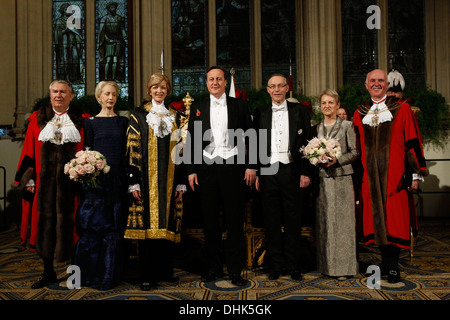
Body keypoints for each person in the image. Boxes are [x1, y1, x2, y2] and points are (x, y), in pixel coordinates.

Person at [353, 69, 428, 283]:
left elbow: (412, 141)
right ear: (366, 85)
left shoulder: (402, 110)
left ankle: (394, 265)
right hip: (369, 179)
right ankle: (385, 262)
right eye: (372, 81)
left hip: (395, 176)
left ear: (387, 85)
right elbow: (356, 147)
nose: (376, 84)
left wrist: (414, 174)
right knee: (376, 221)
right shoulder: (359, 112)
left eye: (380, 81)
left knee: (394, 219)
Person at [14, 80, 88, 288]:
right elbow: (28, 152)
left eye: (63, 92)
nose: (59, 95)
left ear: (71, 96)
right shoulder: (36, 120)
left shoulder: (82, 121)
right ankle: (48, 273)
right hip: (44, 187)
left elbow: (89, 150)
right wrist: (28, 179)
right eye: (55, 91)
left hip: (72, 186)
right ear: (50, 95)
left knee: (74, 229)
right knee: (44, 230)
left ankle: (75, 273)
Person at [186, 66, 256, 286]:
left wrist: (251, 165)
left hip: (234, 167)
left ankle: (235, 270)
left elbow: (251, 136)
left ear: (226, 82)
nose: (214, 82)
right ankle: (214, 267)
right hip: (207, 169)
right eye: (210, 79)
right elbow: (192, 140)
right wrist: (191, 170)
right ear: (206, 83)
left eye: (218, 79)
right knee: (210, 221)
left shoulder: (240, 105)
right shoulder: (197, 107)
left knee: (234, 221)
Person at [124, 73, 185, 291]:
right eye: (155, 87)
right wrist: (134, 182)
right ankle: (147, 276)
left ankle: (165, 272)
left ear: (167, 90)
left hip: (169, 181)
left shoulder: (175, 117)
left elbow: (181, 150)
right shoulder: (138, 116)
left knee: (166, 229)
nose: (159, 91)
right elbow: (131, 149)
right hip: (144, 181)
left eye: (163, 87)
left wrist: (180, 182)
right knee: (148, 231)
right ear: (149, 90)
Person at [253, 74, 311, 281]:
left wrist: (305, 171)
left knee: (293, 219)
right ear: (267, 90)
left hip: (292, 169)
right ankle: (276, 265)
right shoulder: (259, 112)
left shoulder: (301, 111)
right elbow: (255, 143)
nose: (276, 89)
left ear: (287, 88)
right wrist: (257, 171)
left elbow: (308, 142)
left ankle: (292, 265)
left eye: (280, 86)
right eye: (272, 86)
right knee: (272, 219)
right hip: (268, 169)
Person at [72, 81, 128, 290]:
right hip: (96, 183)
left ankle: (110, 276)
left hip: (117, 182)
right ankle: (85, 276)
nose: (110, 98)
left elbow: (127, 152)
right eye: (106, 94)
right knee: (92, 228)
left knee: (114, 230)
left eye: (114, 94)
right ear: (99, 97)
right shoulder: (90, 123)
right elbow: (87, 150)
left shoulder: (123, 121)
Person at [311, 89, 359, 280]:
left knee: (344, 224)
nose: (327, 106)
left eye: (331, 102)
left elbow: (355, 152)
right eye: (324, 103)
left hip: (342, 178)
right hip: (323, 179)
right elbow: (311, 151)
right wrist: (316, 158)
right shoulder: (316, 128)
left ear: (338, 105)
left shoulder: (347, 125)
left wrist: (337, 161)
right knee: (326, 223)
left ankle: (345, 268)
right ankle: (327, 267)